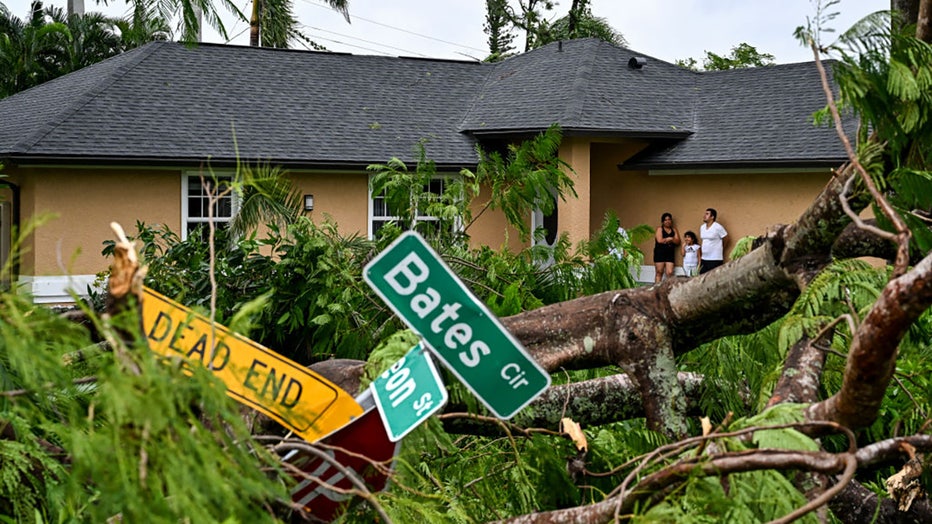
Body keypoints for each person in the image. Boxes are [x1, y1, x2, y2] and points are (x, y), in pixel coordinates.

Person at [699, 208, 728, 274]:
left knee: (714, 278)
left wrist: (722, 248)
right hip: (704, 258)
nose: (704, 216)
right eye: (705, 214)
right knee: (702, 277)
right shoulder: (702, 227)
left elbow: (726, 238)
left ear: (712, 217)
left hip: (715, 259)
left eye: (707, 214)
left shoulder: (718, 227)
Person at [653, 212, 679, 283]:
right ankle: (657, 289)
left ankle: (668, 290)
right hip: (660, 253)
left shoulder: (674, 230)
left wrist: (670, 239)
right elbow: (660, 240)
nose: (667, 221)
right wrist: (670, 239)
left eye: (669, 219)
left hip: (670, 253)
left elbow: (677, 241)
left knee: (670, 273)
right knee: (659, 272)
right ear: (662, 221)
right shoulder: (659, 229)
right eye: (665, 220)